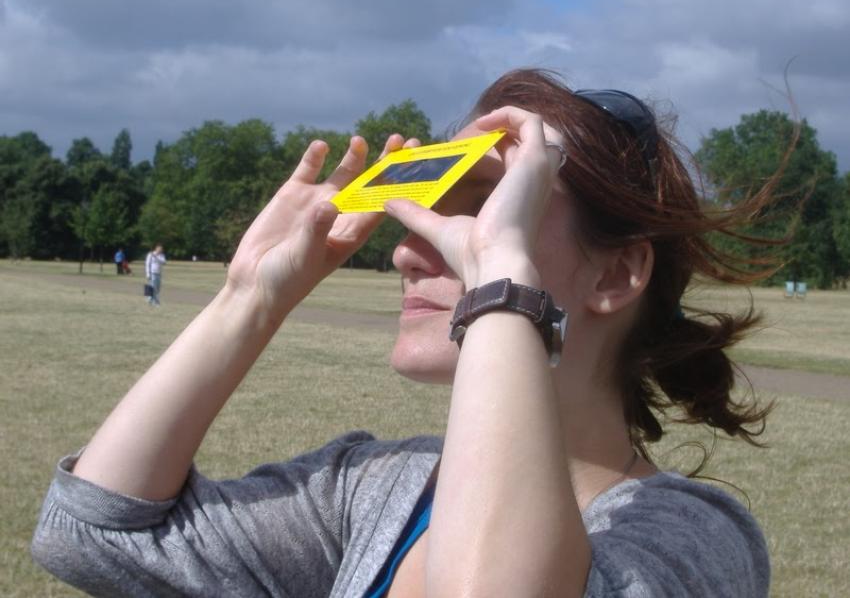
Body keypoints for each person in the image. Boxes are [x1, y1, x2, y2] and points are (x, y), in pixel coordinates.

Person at [32, 69, 776, 597]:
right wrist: (248, 299)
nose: (408, 246)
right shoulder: (377, 489)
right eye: (426, 199)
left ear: (615, 277)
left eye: (482, 205)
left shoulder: (690, 540)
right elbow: (95, 533)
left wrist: (499, 279)